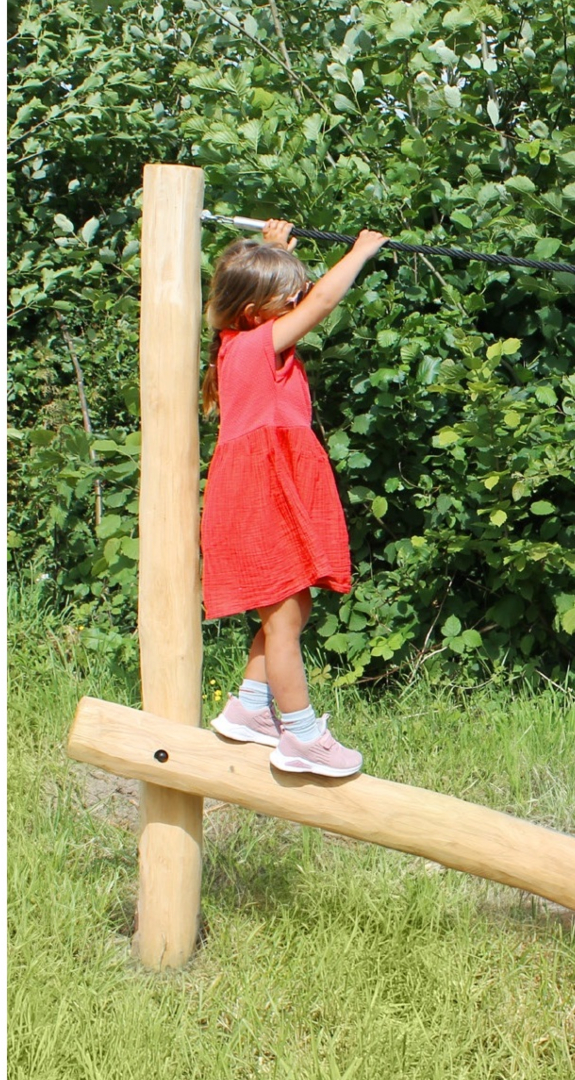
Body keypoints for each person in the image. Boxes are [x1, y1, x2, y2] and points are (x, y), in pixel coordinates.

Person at [201, 219, 388, 777]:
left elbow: (284, 293)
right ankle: (302, 736)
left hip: (268, 485)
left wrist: (275, 252)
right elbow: (324, 299)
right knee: (283, 620)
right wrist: (361, 251)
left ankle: (251, 708)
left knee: (294, 606)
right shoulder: (256, 345)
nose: (300, 300)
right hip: (259, 491)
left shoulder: (244, 337)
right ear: (257, 313)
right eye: (288, 296)